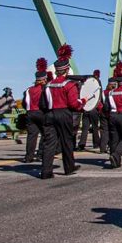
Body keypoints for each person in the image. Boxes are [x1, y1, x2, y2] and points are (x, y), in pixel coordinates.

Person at [40, 44, 82, 179]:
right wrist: (83, 102)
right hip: (64, 114)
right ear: (67, 69)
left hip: (50, 114)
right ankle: (69, 167)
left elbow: (43, 103)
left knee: (49, 143)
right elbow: (73, 104)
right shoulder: (70, 85)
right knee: (66, 141)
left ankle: (46, 171)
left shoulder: (47, 85)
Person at [21, 58, 48, 163]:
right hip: (41, 113)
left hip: (30, 113)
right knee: (45, 134)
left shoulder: (28, 90)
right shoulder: (45, 88)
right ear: (44, 79)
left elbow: (24, 103)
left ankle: (28, 156)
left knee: (32, 136)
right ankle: (40, 154)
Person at [77, 69, 102, 151]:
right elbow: (99, 97)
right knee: (95, 127)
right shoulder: (98, 83)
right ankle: (96, 143)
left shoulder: (87, 83)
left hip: (86, 108)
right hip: (94, 109)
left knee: (85, 128)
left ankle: (81, 144)